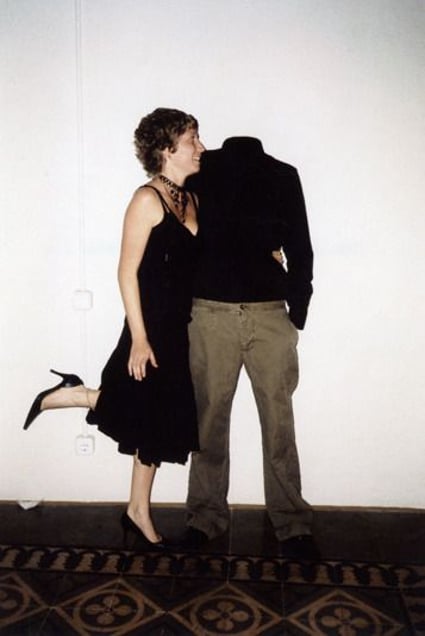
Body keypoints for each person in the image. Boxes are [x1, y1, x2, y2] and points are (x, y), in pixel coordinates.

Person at [23, 107, 205, 549]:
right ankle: (76, 398)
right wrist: (139, 338)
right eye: (192, 140)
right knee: (149, 414)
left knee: (156, 418)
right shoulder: (146, 200)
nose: (201, 147)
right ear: (167, 149)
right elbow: (126, 271)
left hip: (179, 324)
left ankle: (136, 507)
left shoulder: (192, 198)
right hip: (150, 323)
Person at [184, 136, 318, 559]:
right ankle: (204, 516)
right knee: (208, 420)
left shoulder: (282, 175)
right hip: (210, 313)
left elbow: (300, 246)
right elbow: (182, 240)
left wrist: (297, 309)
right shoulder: (200, 172)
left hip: (269, 314)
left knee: (278, 421)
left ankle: (291, 521)